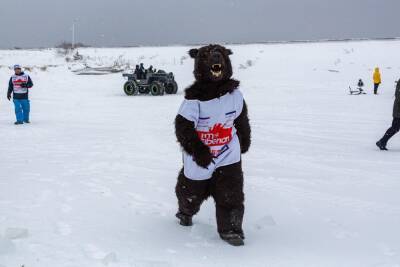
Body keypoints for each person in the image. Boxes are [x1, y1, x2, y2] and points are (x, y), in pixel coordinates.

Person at [376, 80, 400, 150]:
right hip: (398, 110)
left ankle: (382, 141)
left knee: (395, 128)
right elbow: (398, 96)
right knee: (395, 127)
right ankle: (382, 142)